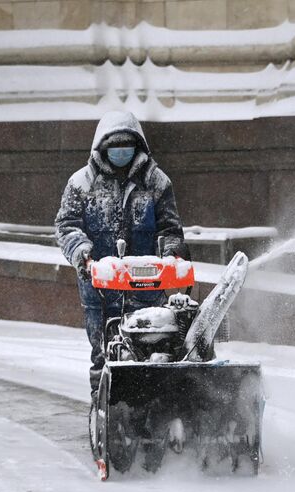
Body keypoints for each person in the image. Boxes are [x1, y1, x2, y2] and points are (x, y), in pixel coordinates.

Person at [55, 111, 189, 400]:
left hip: (147, 287)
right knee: (103, 351)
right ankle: (103, 408)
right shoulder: (81, 184)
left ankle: (149, 406)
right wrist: (83, 255)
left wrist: (172, 254)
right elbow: (66, 226)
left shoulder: (156, 182)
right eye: (114, 147)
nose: (121, 152)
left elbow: (170, 227)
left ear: (137, 146)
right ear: (102, 149)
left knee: (152, 347)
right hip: (99, 290)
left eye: (126, 146)